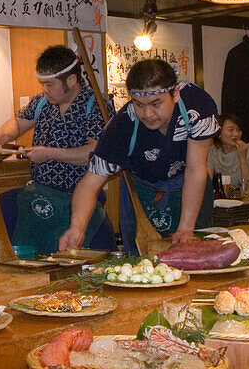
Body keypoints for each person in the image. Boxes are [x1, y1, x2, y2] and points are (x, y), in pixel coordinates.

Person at [59, 59, 219, 254]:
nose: (148, 113)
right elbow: (90, 183)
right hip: (142, 191)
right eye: (139, 105)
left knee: (198, 257)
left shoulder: (196, 106)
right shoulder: (123, 125)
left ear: (175, 94)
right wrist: (76, 227)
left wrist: (186, 228)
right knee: (139, 262)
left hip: (190, 186)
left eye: (155, 104)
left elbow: (195, 170)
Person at [0, 46, 115, 254]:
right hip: (41, 191)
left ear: (71, 80)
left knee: (98, 247)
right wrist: (4, 133)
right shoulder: (41, 102)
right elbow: (18, 123)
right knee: (0, 209)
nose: (44, 89)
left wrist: (49, 153)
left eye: (49, 84)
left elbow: (94, 154)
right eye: (42, 84)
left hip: (80, 195)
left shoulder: (96, 105)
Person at [207, 113, 249, 193]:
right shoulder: (212, 152)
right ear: (219, 133)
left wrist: (242, 157)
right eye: (231, 130)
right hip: (221, 202)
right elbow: (206, 183)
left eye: (238, 130)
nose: (236, 134)